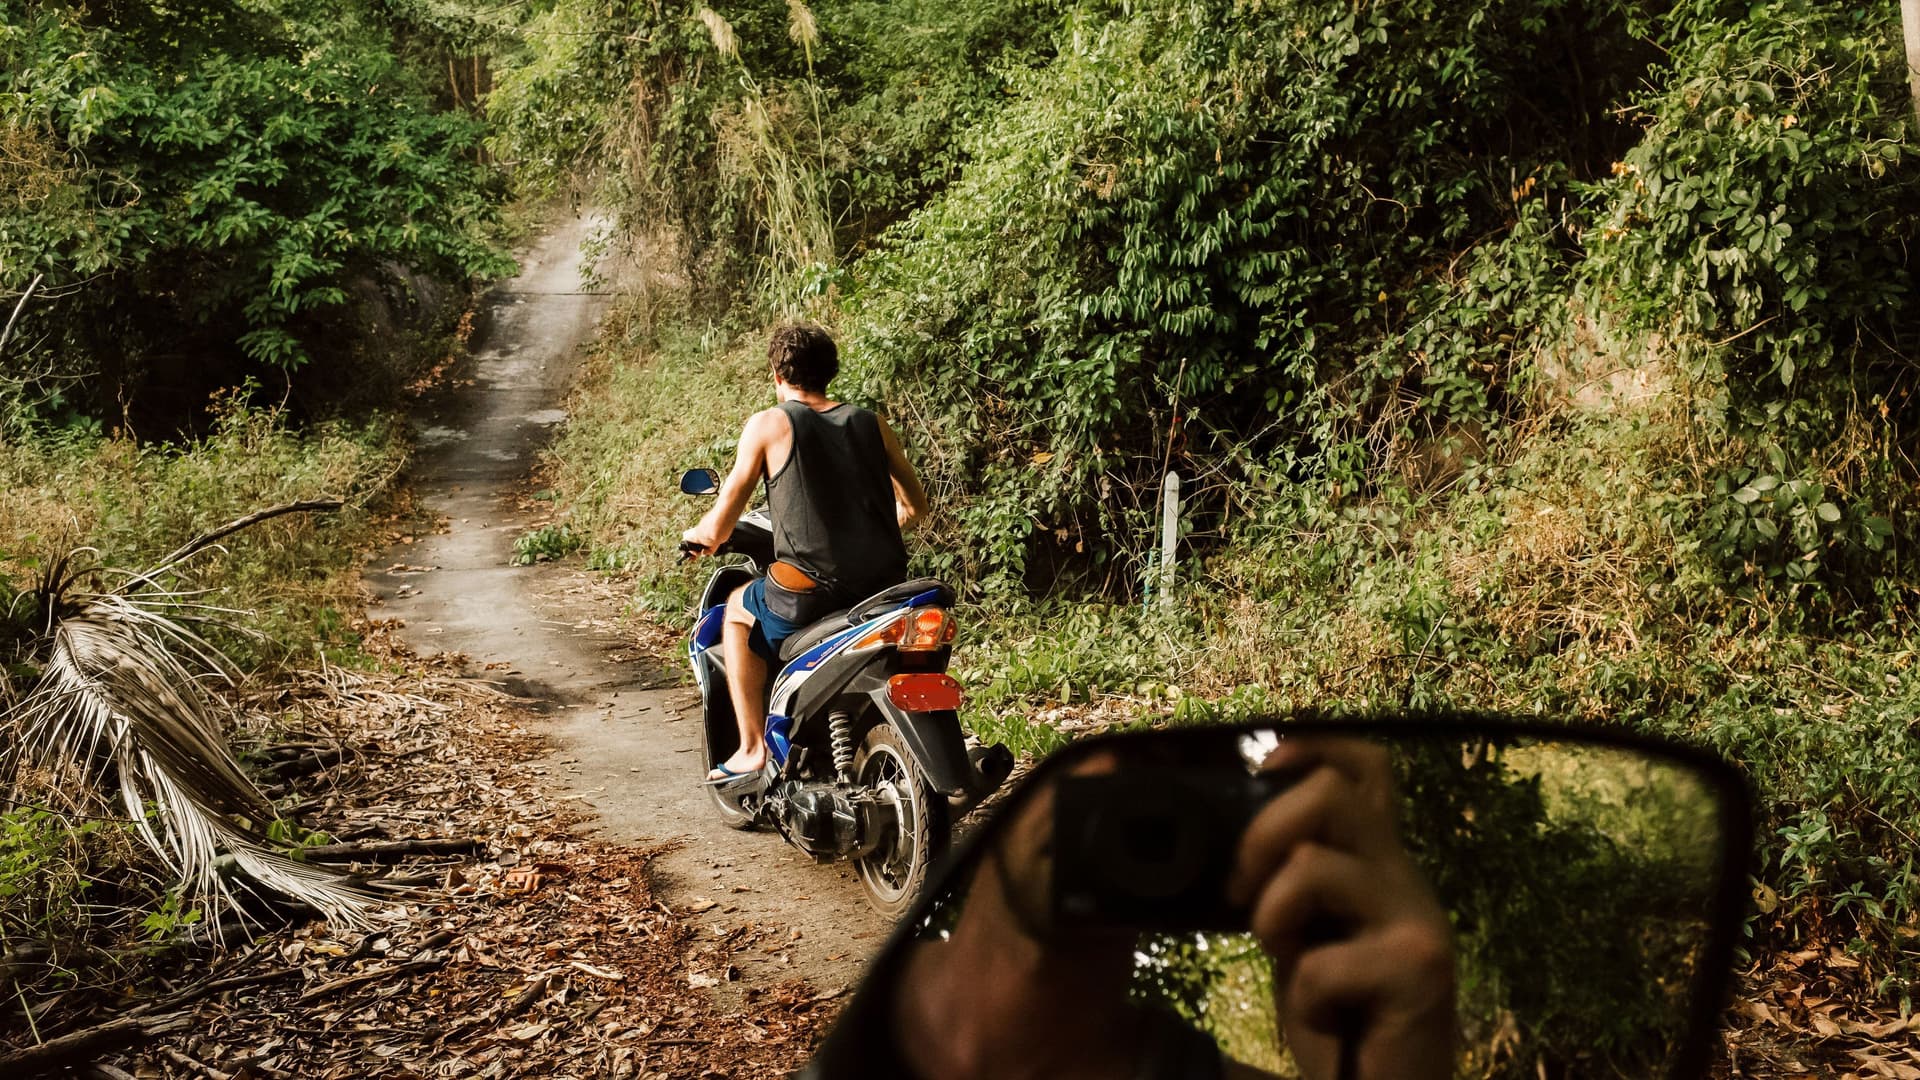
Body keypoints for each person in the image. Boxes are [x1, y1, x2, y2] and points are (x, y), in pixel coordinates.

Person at [680, 323, 931, 782]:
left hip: (812, 592)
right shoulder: (870, 422)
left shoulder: (770, 424)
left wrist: (701, 536)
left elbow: (722, 518)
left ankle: (753, 748)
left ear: (777, 373)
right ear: (831, 372)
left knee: (736, 609)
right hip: (883, 589)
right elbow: (915, 506)